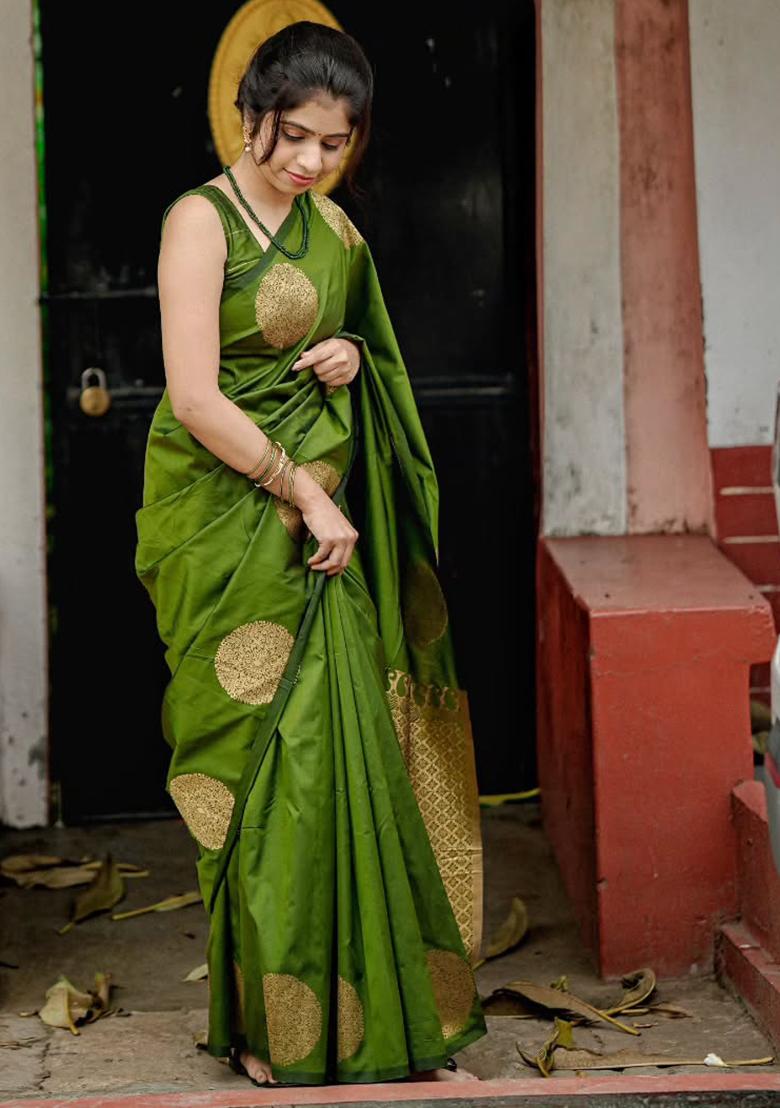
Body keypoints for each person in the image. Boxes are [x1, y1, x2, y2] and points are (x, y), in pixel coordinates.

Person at [135, 19, 487, 1088]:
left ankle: (389, 1025)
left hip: (325, 539)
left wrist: (348, 354)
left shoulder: (335, 229)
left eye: (332, 143)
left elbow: (362, 351)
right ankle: (268, 1028)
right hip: (230, 529)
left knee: (350, 767)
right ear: (250, 114)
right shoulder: (200, 223)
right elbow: (195, 396)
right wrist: (298, 492)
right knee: (257, 783)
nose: (308, 162)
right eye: (291, 136)